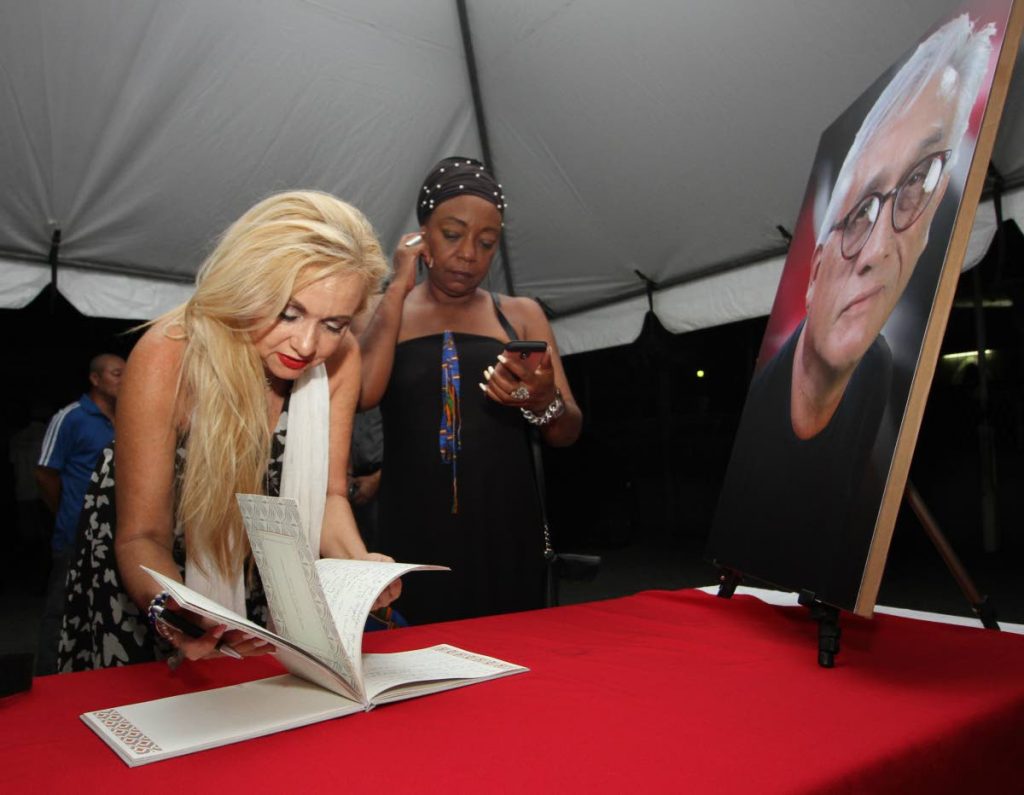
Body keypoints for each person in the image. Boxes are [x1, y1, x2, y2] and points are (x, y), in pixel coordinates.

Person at [710, 15, 995, 608]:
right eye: (859, 212)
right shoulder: (765, 425)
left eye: (919, 180)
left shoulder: (877, 374)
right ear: (811, 274)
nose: (877, 252)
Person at [56, 190, 398, 672]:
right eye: (289, 312)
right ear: (247, 287)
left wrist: (359, 568)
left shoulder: (341, 361)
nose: (306, 344)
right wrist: (176, 612)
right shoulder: (169, 356)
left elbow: (328, 497)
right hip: (154, 584)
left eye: (334, 324)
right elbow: (142, 536)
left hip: (261, 582)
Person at [358, 156, 582, 624]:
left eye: (486, 242)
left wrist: (544, 403)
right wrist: (398, 287)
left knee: (514, 662)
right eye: (453, 234)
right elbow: (363, 393)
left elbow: (567, 431)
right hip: (410, 530)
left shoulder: (520, 314)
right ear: (422, 234)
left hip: (505, 529)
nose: (469, 254)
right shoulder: (379, 310)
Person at [35, 353, 124, 674]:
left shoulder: (128, 416)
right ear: (95, 379)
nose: (124, 380)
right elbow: (46, 473)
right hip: (74, 532)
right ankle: (46, 680)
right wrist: (67, 511)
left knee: (103, 607)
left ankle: (90, 678)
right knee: (60, 608)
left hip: (116, 535)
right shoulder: (71, 416)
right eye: (116, 373)